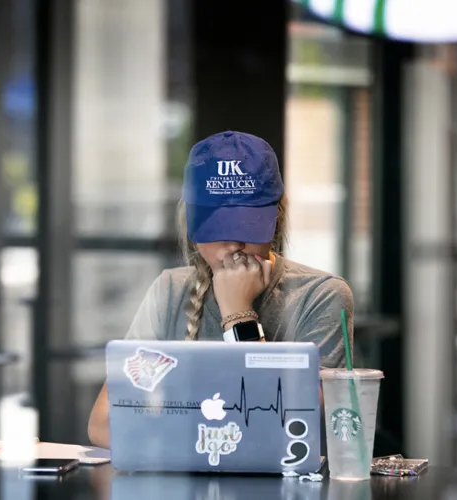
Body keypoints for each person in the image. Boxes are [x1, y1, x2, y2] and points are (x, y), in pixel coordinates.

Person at [87, 131, 354, 448]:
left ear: (277, 218)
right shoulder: (170, 291)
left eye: (248, 224)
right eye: (216, 225)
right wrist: (205, 444)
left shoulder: (321, 295)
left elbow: (284, 428)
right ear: (190, 222)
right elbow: (104, 423)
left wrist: (238, 314)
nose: (233, 243)